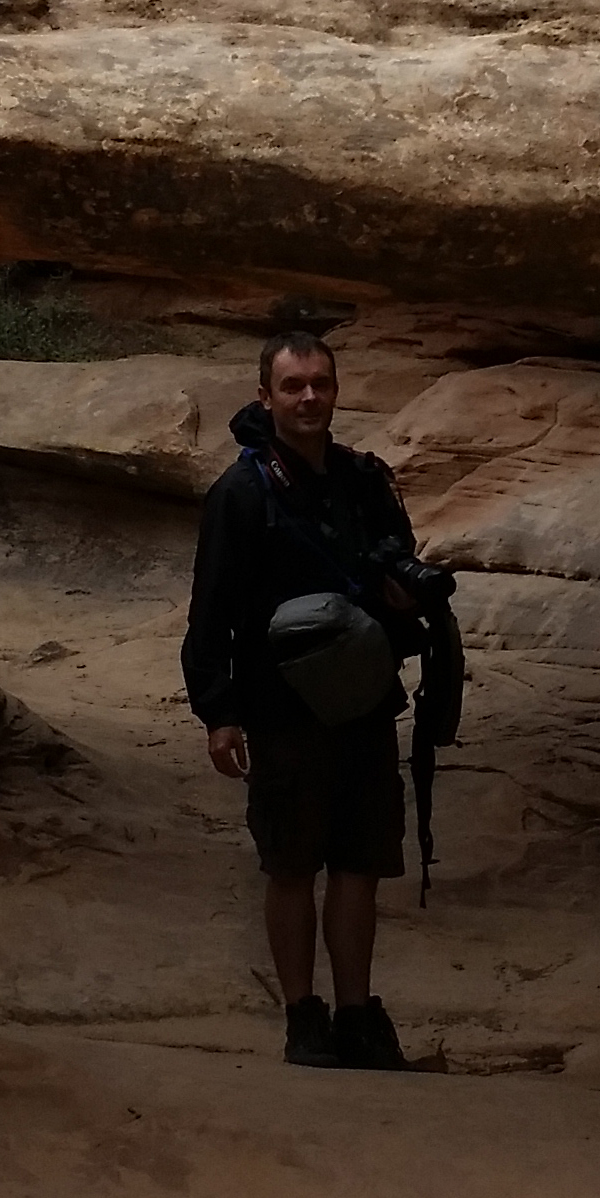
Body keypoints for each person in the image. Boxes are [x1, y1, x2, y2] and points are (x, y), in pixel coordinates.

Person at [183, 322, 436, 1069]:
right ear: (266, 395)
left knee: (359, 860)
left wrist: (401, 600)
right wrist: (219, 711)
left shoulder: (363, 480)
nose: (309, 398)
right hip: (279, 706)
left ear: (336, 390)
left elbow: (399, 571)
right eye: (293, 386)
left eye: (320, 384)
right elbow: (212, 608)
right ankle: (303, 1015)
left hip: (360, 700)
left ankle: (357, 1014)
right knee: (291, 864)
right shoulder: (241, 493)